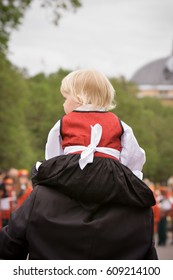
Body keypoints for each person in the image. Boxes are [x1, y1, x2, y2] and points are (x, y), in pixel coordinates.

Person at [0, 69, 157, 260]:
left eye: (65, 98)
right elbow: (134, 157)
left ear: (79, 98)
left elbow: (53, 153)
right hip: (114, 176)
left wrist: (53, 175)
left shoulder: (40, 199)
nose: (63, 103)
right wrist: (130, 180)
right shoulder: (139, 209)